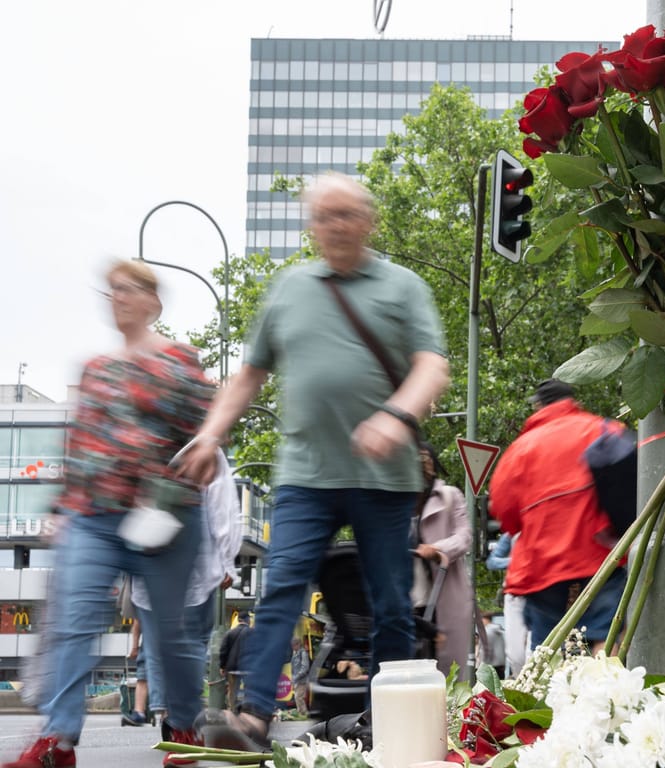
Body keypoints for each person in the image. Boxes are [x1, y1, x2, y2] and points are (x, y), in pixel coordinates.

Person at [179, 173, 450, 750]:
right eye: (325, 216)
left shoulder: (403, 288)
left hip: (384, 477)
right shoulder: (289, 288)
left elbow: (433, 367)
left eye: (348, 214)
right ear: (311, 226)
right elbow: (248, 375)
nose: (337, 225)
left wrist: (396, 416)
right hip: (305, 474)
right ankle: (253, 718)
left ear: (369, 221)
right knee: (281, 589)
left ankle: (388, 720)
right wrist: (208, 437)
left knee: (390, 603)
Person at [5, 260, 214, 768]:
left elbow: (208, 427)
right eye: (111, 290)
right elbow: (78, 445)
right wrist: (60, 506)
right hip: (92, 515)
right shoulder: (95, 368)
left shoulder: (180, 361)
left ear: (152, 301)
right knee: (74, 624)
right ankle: (58, 741)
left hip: (164, 517)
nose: (116, 297)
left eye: (128, 289)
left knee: (171, 633)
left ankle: (183, 725)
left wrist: (203, 451)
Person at [487, 380, 627, 650]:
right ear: (572, 401)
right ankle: (607, 689)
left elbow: (505, 513)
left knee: (546, 648)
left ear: (539, 405)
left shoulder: (521, 448)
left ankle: (545, 689)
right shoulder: (601, 428)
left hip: (542, 564)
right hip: (599, 557)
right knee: (604, 637)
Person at [130, 447, 242, 728]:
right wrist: (227, 560)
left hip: (148, 562)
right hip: (194, 566)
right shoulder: (203, 443)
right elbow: (223, 505)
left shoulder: (137, 438)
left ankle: (170, 715)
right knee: (192, 642)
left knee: (158, 647)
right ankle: (182, 722)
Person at [415, 454, 474, 681]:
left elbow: (464, 537)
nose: (423, 463)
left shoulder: (449, 496)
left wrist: (437, 549)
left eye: (426, 459)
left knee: (451, 675)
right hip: (408, 601)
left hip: (445, 596)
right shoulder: (395, 499)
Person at [486, 533, 529, 677]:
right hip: (515, 596)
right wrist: (517, 561)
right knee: (515, 654)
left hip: (543, 594)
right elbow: (492, 561)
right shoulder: (513, 531)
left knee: (534, 651)